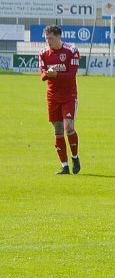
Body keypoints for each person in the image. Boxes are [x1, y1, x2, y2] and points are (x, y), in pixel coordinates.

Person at [38, 25, 81, 175]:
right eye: (46, 38)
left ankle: (75, 157)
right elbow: (42, 76)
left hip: (69, 96)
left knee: (68, 127)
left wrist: (55, 74)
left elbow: (71, 77)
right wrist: (48, 74)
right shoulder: (43, 53)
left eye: (50, 38)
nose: (47, 41)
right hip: (52, 97)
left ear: (58, 36)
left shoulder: (72, 51)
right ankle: (65, 166)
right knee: (57, 130)